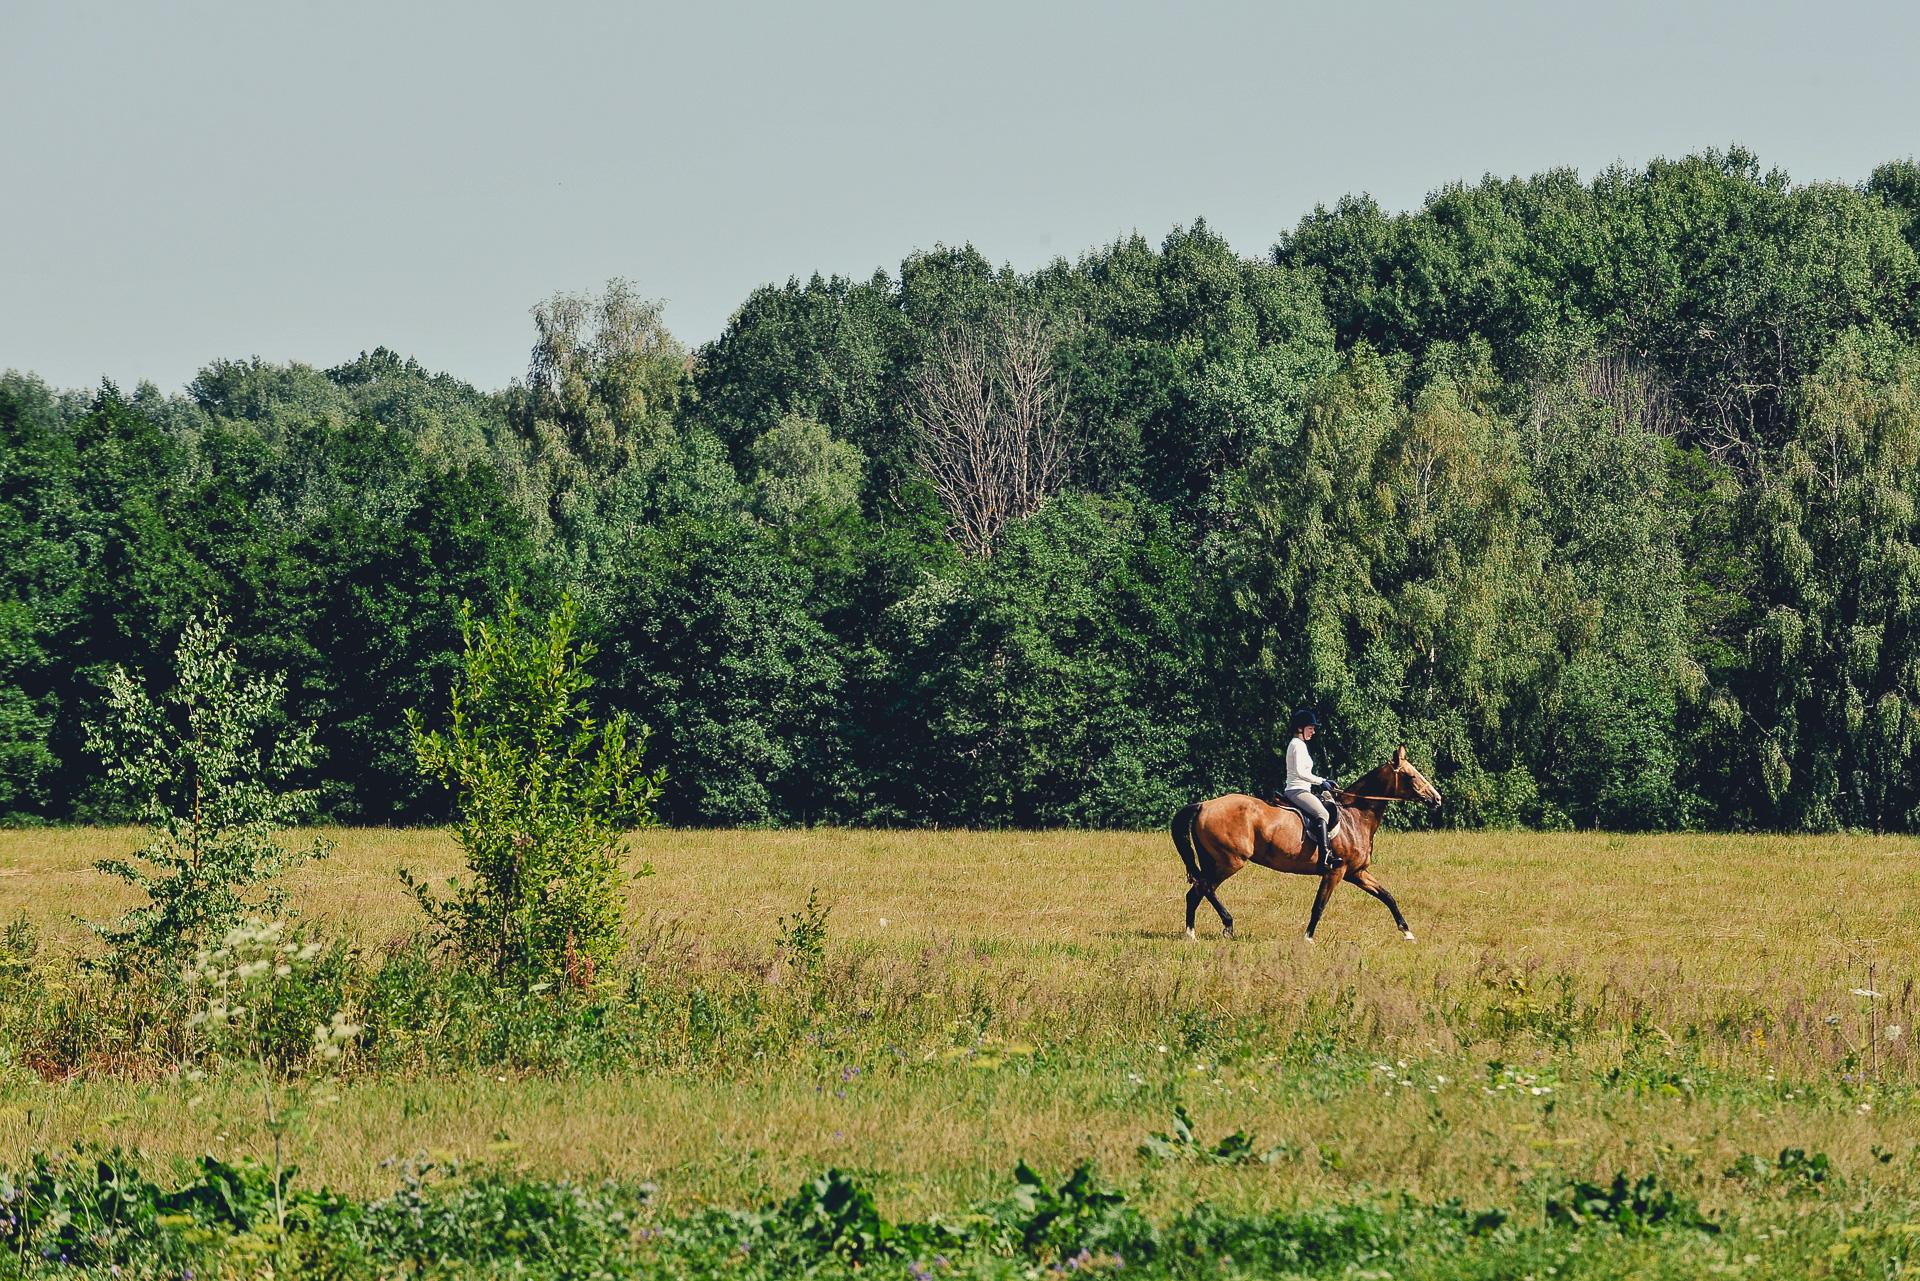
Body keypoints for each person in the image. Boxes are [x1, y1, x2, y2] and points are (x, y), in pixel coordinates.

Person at [1282, 708, 1342, 871]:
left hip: (1303, 789)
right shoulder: (1297, 745)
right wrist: (1321, 781)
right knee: (1322, 813)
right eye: (1311, 728)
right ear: (1300, 728)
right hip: (1297, 790)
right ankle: (1325, 857)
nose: (1313, 732)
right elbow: (1302, 773)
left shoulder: (1298, 744)